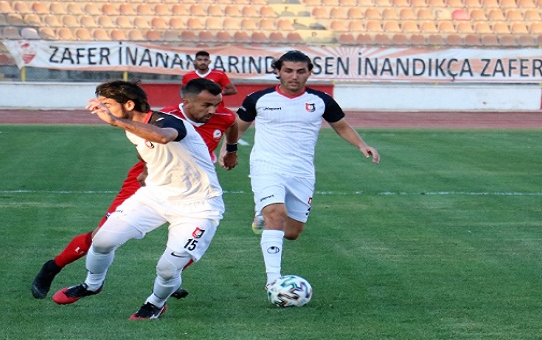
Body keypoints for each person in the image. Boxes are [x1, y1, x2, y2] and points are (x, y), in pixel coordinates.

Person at [30, 78, 238, 300]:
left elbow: (230, 123)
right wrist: (146, 168)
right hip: (148, 183)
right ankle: (55, 267)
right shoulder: (156, 117)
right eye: (207, 105)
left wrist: (232, 149)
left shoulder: (212, 118)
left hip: (189, 191)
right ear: (187, 101)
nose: (214, 110)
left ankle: (164, 291)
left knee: (175, 255)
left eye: (218, 104)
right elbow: (147, 143)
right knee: (102, 237)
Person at [233, 50, 380, 290]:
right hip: (266, 166)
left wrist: (362, 145)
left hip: (301, 171)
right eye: (288, 71)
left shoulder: (321, 100)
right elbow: (237, 127)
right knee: (276, 214)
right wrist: (228, 150)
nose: (294, 76)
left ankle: (262, 213)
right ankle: (273, 282)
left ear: (309, 72)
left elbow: (341, 126)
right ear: (277, 71)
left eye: (301, 71)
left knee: (292, 232)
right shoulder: (258, 99)